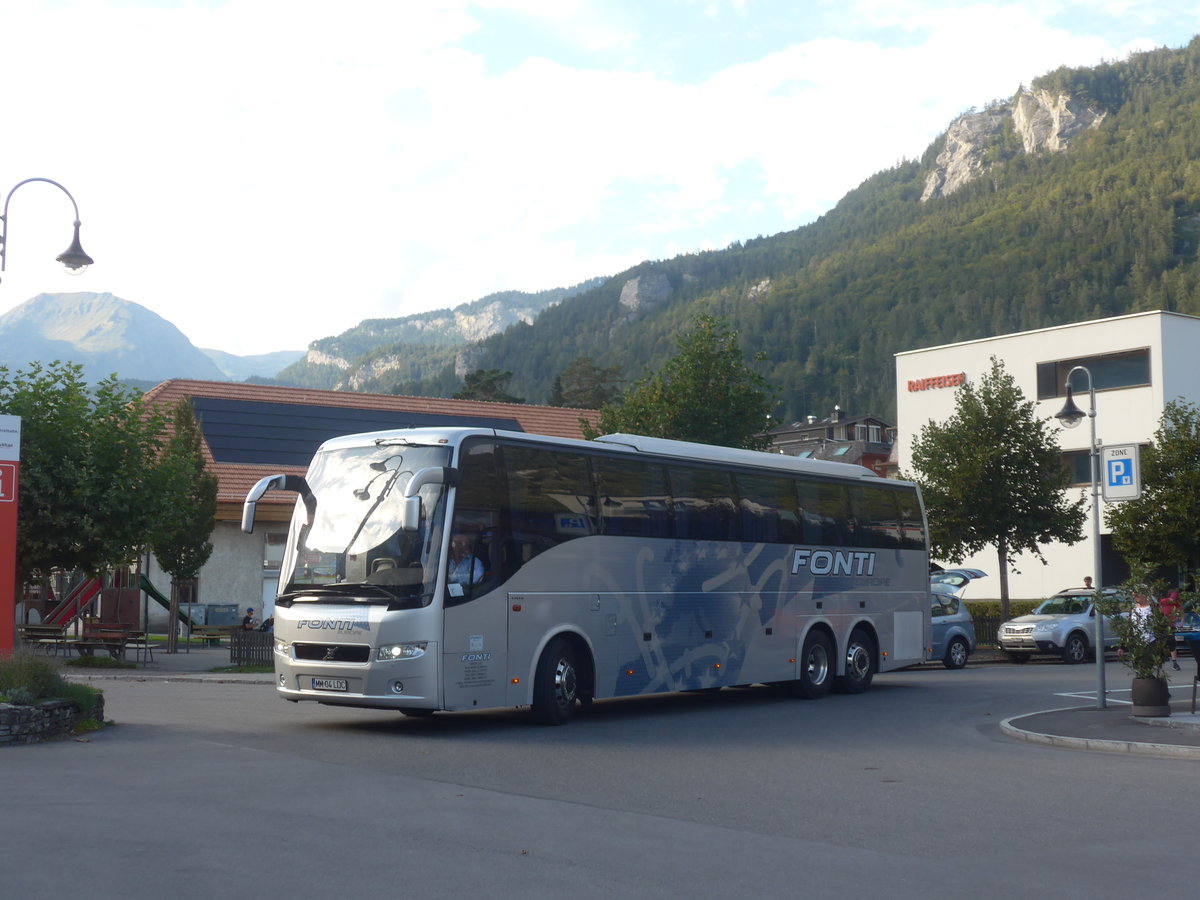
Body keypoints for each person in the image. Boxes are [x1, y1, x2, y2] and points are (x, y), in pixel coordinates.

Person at [1160, 589, 1183, 670]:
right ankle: (1160, 659)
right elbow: (1157, 610)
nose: (1172, 601)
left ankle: (1174, 663)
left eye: (1174, 599)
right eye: (1172, 599)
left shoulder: (1176, 604)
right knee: (1162, 642)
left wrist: (1181, 624)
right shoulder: (1163, 601)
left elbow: (1182, 613)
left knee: (1172, 643)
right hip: (1162, 625)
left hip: (1171, 626)